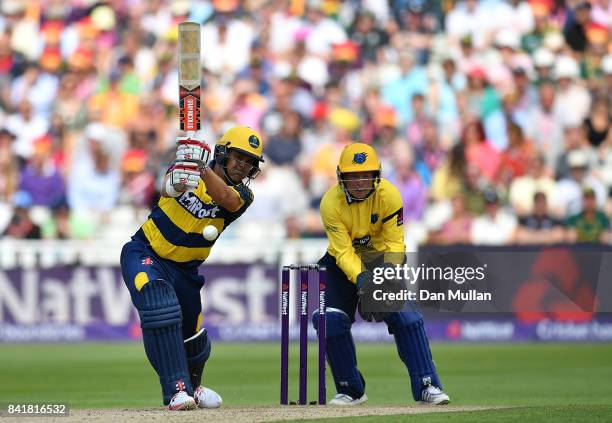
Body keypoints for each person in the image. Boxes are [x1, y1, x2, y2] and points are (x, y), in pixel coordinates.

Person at [120, 126, 264, 410]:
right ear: (222, 152)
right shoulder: (186, 170)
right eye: (238, 158)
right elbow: (166, 188)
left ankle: (193, 387)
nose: (243, 166)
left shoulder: (243, 196)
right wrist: (181, 173)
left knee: (194, 338)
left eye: (249, 162)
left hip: (186, 271)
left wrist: (199, 167)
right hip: (146, 252)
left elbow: (227, 199)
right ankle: (176, 390)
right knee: (161, 309)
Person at [314, 142, 450, 406]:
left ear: (376, 175)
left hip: (381, 261)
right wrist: (363, 281)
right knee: (327, 320)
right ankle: (350, 389)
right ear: (341, 176)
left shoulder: (389, 195)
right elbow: (343, 253)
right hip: (341, 263)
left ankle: (427, 385)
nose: (360, 181)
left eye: (366, 174)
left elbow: (396, 243)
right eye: (353, 175)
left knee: (407, 317)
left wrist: (385, 276)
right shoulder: (330, 202)